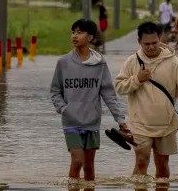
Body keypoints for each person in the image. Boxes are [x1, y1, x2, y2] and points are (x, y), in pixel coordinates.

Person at [115, 22, 178, 179]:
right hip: (140, 122)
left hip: (166, 122)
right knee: (141, 160)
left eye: (154, 43)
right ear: (139, 42)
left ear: (160, 39)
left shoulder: (173, 62)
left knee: (162, 163)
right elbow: (119, 87)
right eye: (147, 44)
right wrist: (137, 79)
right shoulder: (132, 62)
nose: (151, 47)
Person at [51, 18, 129, 181]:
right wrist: (64, 109)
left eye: (80, 32)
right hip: (71, 122)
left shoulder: (99, 64)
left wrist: (120, 120)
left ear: (90, 38)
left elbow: (109, 94)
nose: (74, 36)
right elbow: (55, 91)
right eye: (73, 32)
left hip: (92, 122)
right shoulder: (63, 62)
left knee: (89, 165)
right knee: (77, 161)